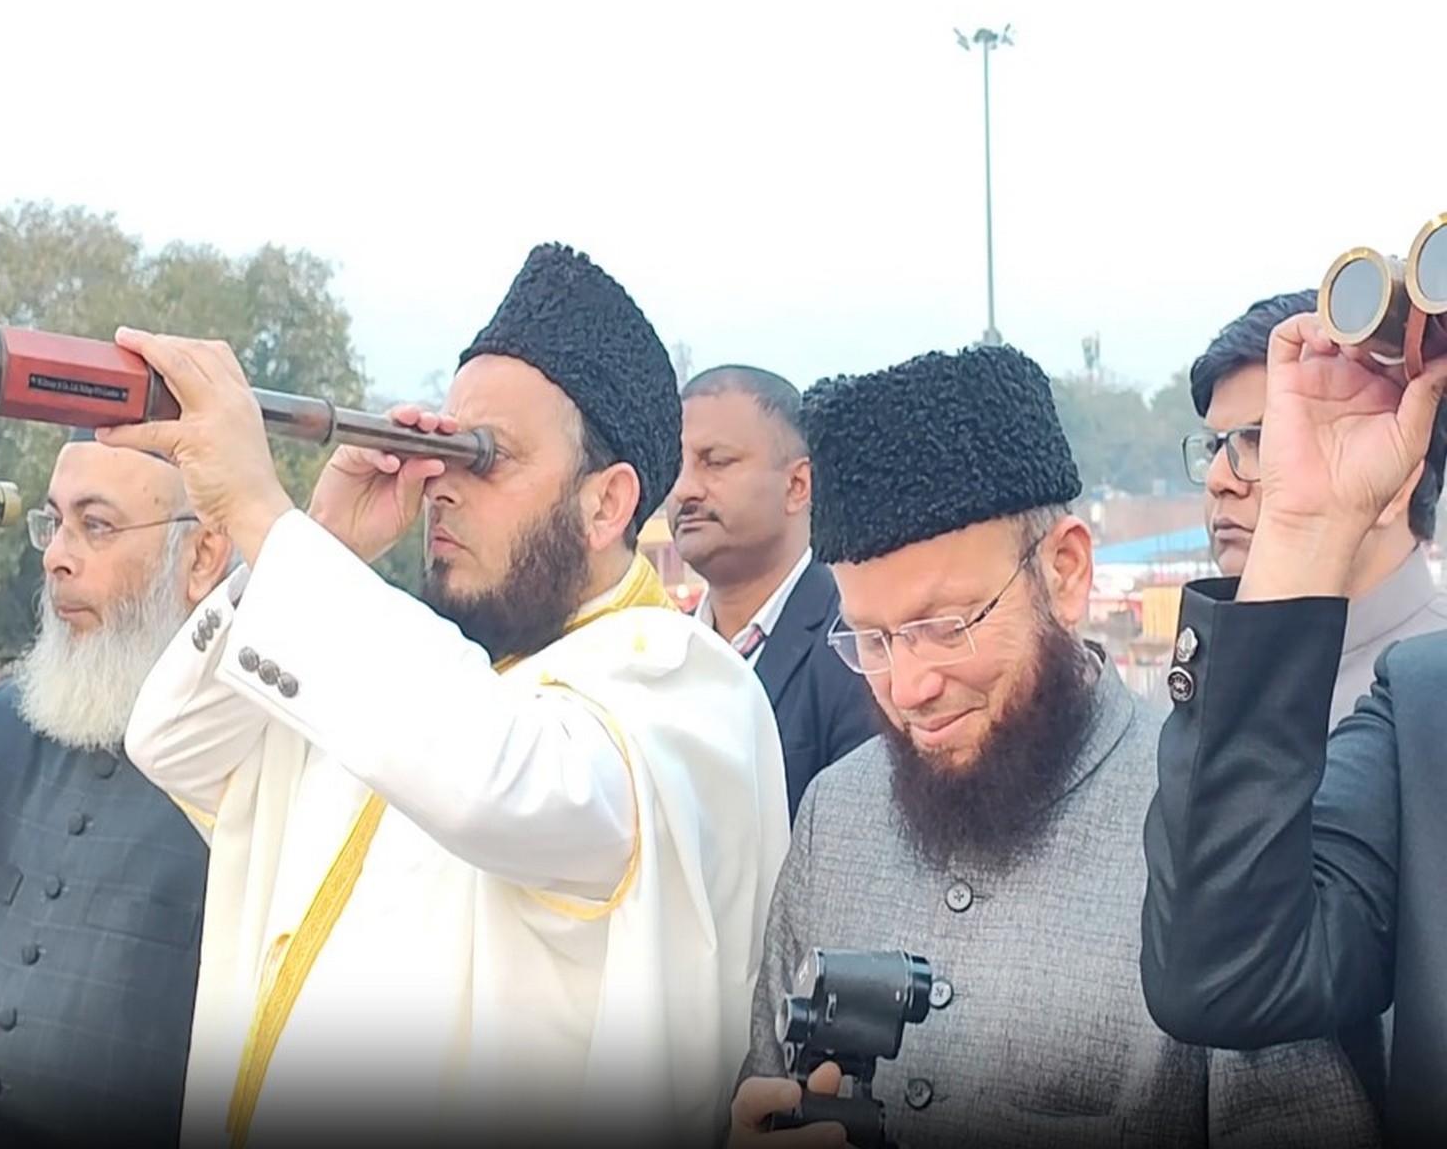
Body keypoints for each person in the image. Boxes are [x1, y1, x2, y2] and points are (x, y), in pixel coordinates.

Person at [111, 244, 792, 1147]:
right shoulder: (407, 677)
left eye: (487, 458)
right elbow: (175, 742)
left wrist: (260, 517)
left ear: (606, 503)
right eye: (440, 452)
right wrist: (322, 540)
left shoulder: (684, 688)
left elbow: (503, 781)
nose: (443, 488)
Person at [729, 344, 1378, 1148]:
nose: (907, 687)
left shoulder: (1216, 833)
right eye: (873, 639)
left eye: (945, 627)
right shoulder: (836, 817)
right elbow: (768, 1074)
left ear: (1066, 572)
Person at [0, 433, 231, 1148]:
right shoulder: (6, 721)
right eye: (53, 522)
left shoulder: (246, 760)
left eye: (97, 525)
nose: (57, 554)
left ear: (201, 556)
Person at [1142, 311, 1447, 1148]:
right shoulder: (1421, 709)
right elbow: (1222, 980)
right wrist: (1308, 527)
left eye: (1260, 441)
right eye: (1225, 447)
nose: (1226, 479)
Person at [1184, 289, 1447, 722]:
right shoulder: (1192, 680)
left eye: (1263, 441)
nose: (1218, 479)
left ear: (1395, 480)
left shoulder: (1426, 700)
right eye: (1214, 445)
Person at [669, 365, 879, 817]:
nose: (685, 489)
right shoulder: (661, 654)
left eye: (716, 462)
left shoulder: (855, 650)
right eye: (676, 464)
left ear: (797, 485)